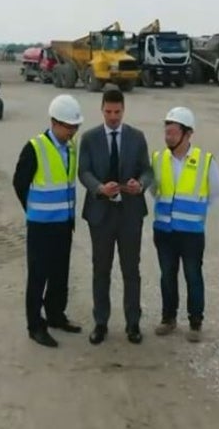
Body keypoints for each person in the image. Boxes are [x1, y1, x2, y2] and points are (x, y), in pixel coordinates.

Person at [77, 87, 153, 345]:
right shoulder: (89, 138)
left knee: (131, 270)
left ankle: (133, 324)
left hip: (130, 214)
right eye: (108, 112)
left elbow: (147, 170)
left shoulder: (137, 137)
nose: (112, 117)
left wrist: (139, 185)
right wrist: (99, 188)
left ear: (124, 110)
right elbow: (83, 172)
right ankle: (101, 322)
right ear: (101, 110)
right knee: (101, 270)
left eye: (117, 112)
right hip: (100, 215)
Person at [12, 94, 85, 348]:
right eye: (68, 127)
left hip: (64, 224)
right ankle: (35, 325)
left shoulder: (71, 148)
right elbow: (19, 183)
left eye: (75, 127)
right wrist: (33, 209)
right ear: (54, 122)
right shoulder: (35, 147)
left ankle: (55, 315)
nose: (72, 132)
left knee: (60, 274)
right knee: (38, 276)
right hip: (41, 226)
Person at [149, 107, 219, 343]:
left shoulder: (204, 161)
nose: (168, 137)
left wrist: (196, 213)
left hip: (191, 233)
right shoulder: (158, 160)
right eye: (166, 132)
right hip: (164, 231)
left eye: (172, 132)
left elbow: (216, 192)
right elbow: (153, 190)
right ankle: (168, 318)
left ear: (188, 134)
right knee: (167, 275)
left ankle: (195, 322)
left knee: (193, 275)